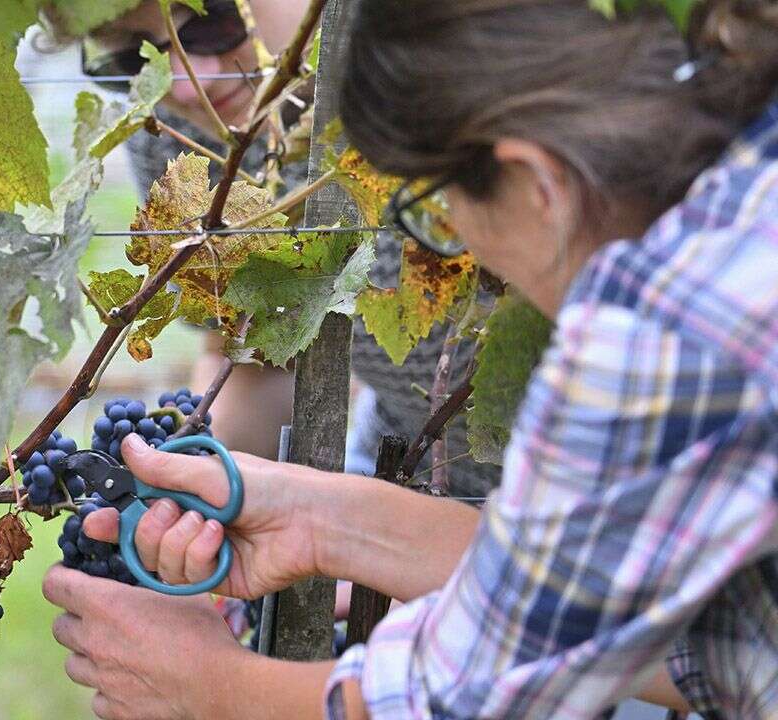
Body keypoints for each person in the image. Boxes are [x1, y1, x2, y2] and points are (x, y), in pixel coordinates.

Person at [42, 0, 778, 718]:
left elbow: (463, 697)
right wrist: (327, 523)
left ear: (537, 182)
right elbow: (740, 644)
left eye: (433, 210)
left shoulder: (669, 328)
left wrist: (207, 687)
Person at [59, 0, 501, 495]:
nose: (187, 83)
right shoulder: (175, 146)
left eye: (209, 24)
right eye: (132, 58)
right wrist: (193, 477)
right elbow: (258, 362)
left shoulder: (457, 60)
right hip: (416, 472)